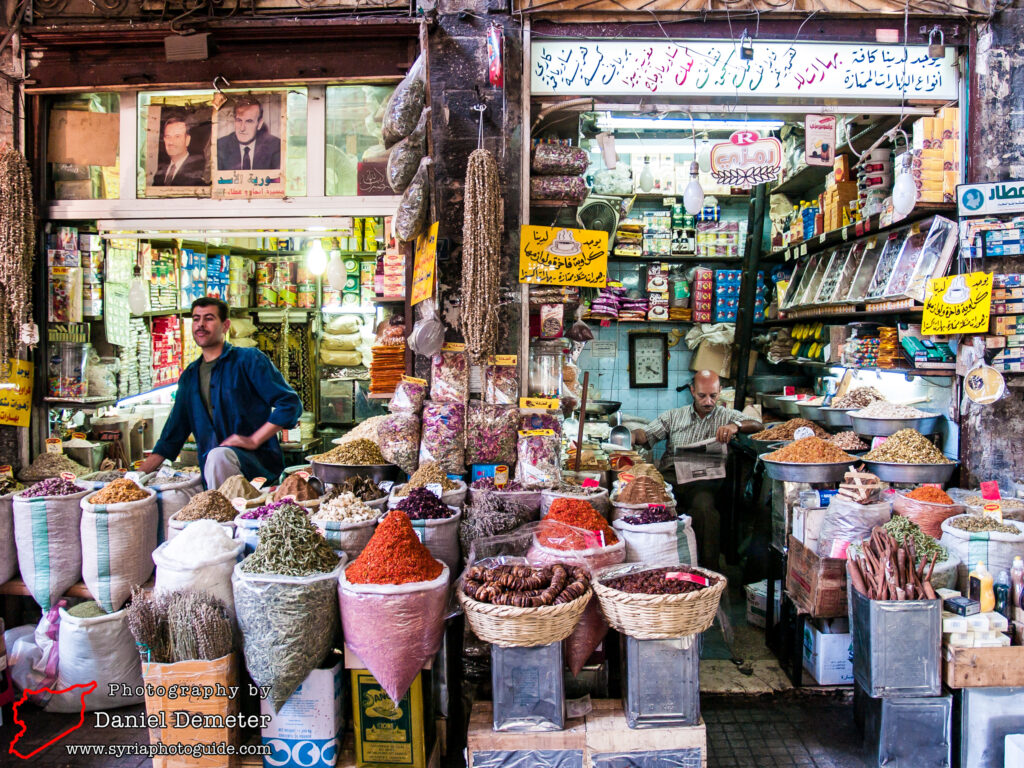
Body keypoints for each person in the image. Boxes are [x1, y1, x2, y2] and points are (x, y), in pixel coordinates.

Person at [139, 297, 301, 488]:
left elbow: (290, 404)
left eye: (208, 318)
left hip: (257, 470)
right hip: (214, 476)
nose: (200, 325)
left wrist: (253, 439)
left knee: (219, 455)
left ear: (225, 326)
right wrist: (134, 478)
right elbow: (172, 436)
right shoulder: (190, 376)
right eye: (196, 319)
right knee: (216, 457)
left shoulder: (248, 361)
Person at [631, 370, 762, 568]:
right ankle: (654, 567)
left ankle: (707, 572)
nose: (708, 401)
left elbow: (758, 425)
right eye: (702, 395)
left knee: (704, 509)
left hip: (704, 481)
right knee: (645, 503)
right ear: (692, 391)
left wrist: (735, 426)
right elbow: (646, 435)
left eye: (713, 396)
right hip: (671, 477)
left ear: (720, 392)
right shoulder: (674, 416)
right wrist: (631, 435)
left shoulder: (726, 416)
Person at [216, 97, 281, 171]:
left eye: (249, 121)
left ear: (259, 124)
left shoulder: (275, 146)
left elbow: (277, 180)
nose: (242, 128)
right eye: (239, 120)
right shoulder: (221, 146)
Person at [152, 116, 207, 187]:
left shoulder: (200, 172)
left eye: (177, 136)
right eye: (168, 136)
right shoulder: (159, 173)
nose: (171, 142)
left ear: (187, 140)